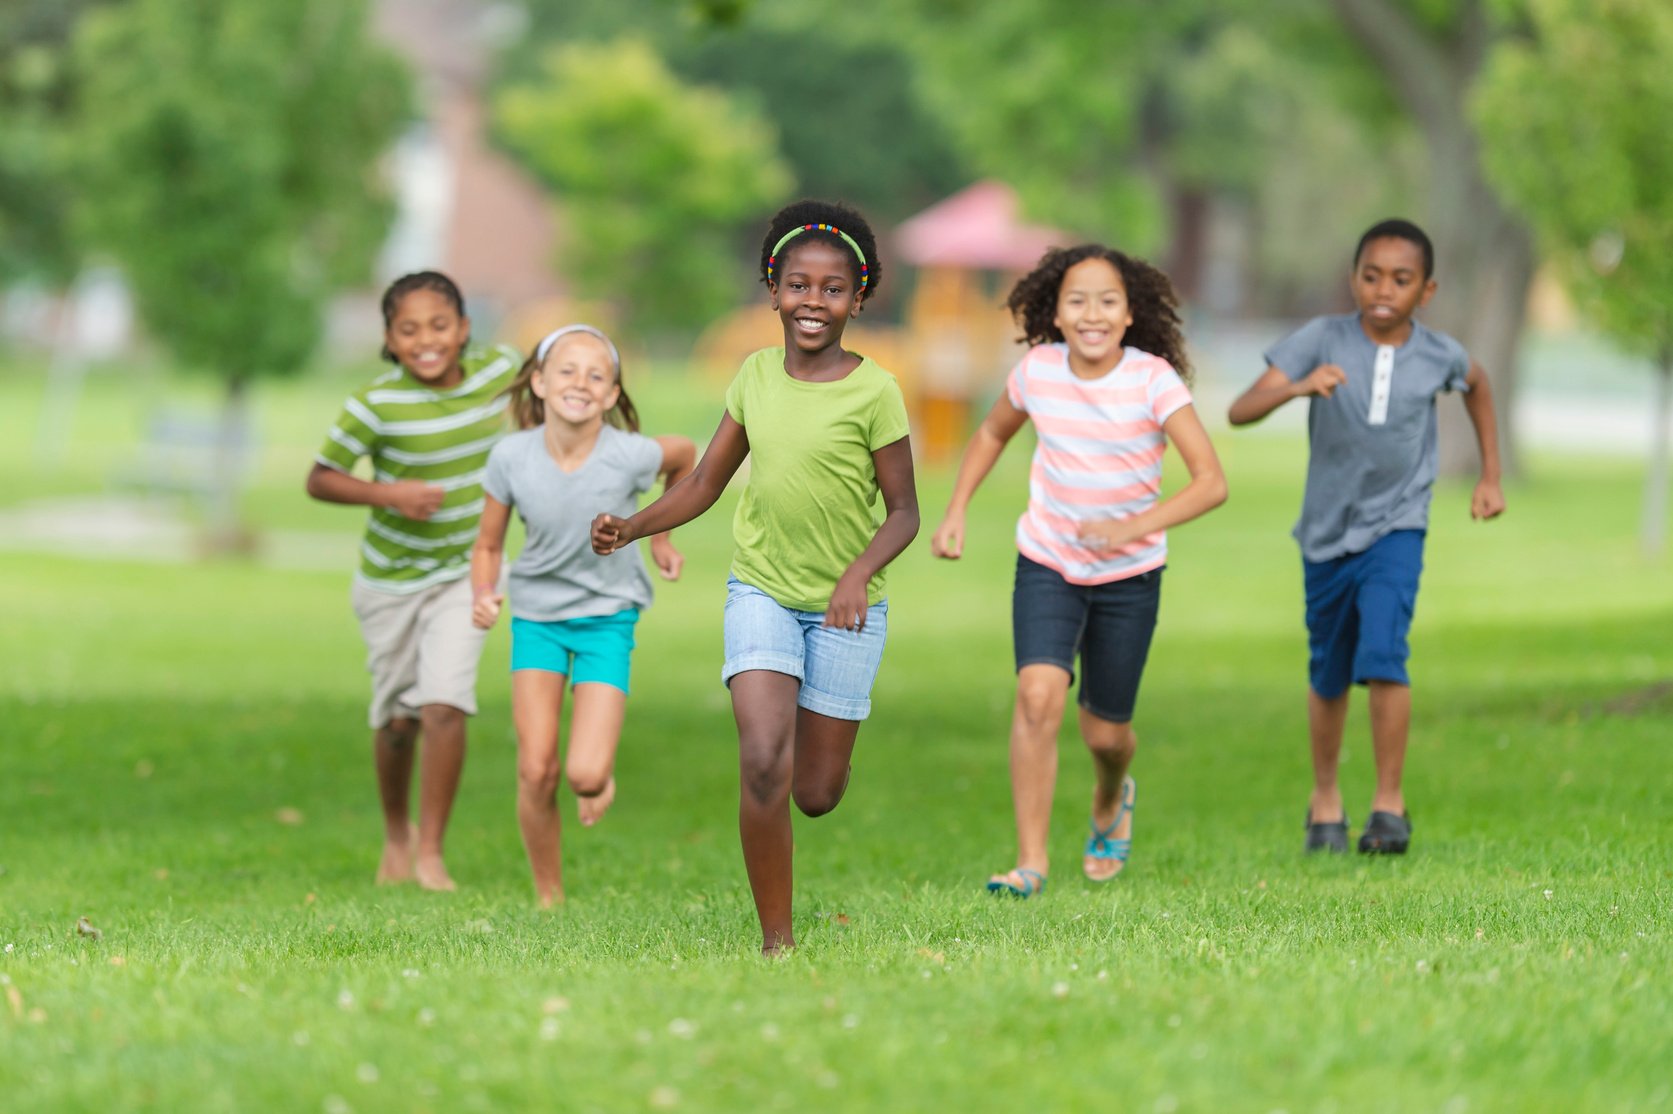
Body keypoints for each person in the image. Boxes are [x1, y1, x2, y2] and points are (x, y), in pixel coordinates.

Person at [591, 200, 919, 954]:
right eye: (797, 285)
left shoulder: (876, 392)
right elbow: (705, 480)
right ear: (772, 291)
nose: (813, 302)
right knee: (763, 759)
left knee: (815, 793)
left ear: (857, 299)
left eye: (832, 289)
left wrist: (855, 576)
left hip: (847, 608)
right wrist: (635, 524)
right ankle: (777, 942)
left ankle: (814, 750)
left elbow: (903, 513)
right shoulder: (753, 375)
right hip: (762, 591)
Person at [930, 245, 1227, 898]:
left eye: (1107, 301)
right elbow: (989, 435)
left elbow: (1210, 483)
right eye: (1076, 301)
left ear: (1129, 315)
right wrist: (955, 509)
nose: (1091, 313)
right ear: (1054, 315)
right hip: (1048, 561)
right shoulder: (1036, 372)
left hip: (1129, 576)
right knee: (1036, 698)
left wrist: (1129, 528)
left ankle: (1111, 793)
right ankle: (1030, 862)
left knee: (1106, 734)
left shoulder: (1153, 381)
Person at [1227, 218, 1505, 855]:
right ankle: (1325, 799)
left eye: (1401, 279)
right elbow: (1240, 410)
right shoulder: (1320, 338)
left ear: (1425, 291)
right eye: (1371, 275)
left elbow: (1480, 385)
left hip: (1398, 526)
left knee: (1385, 652)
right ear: (1353, 279)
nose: (1384, 289)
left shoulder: (1440, 354)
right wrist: (1299, 385)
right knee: (1328, 672)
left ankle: (1389, 804)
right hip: (1326, 533)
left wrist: (1489, 475)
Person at [305, 271, 521, 890]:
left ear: (464, 329)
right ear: (389, 339)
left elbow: (557, 396)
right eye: (409, 330)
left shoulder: (499, 372)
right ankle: (396, 831)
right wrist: (388, 493)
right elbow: (320, 478)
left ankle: (431, 852)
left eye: (439, 326)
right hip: (391, 582)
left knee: (444, 703)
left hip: (469, 570)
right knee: (400, 722)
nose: (426, 340)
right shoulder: (375, 405)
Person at [469, 324, 696, 907]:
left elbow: (686, 458)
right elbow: (488, 545)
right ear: (540, 382)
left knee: (584, 776)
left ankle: (599, 774)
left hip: (605, 620)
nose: (581, 383)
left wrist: (661, 539)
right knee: (536, 769)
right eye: (567, 371)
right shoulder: (510, 457)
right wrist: (483, 592)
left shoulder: (630, 454)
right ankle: (550, 894)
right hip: (538, 620)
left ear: (614, 394)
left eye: (596, 375)